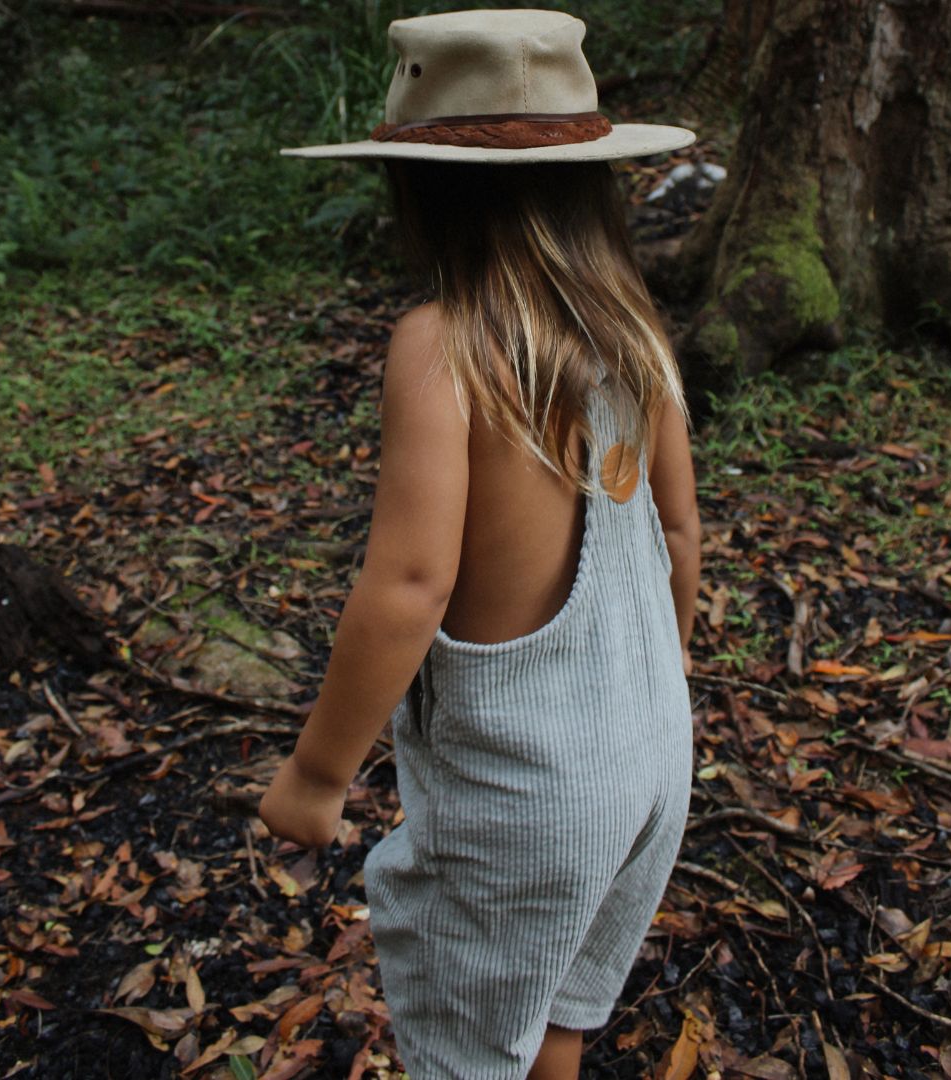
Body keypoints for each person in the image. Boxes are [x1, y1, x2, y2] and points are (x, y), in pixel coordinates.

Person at [260, 10, 700, 1079]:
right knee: (552, 1014)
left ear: (419, 189)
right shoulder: (634, 328)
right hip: (652, 764)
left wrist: (318, 774)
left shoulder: (444, 345)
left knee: (471, 1043)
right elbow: (680, 534)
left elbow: (411, 584)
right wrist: (653, 689)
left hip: (528, 801)